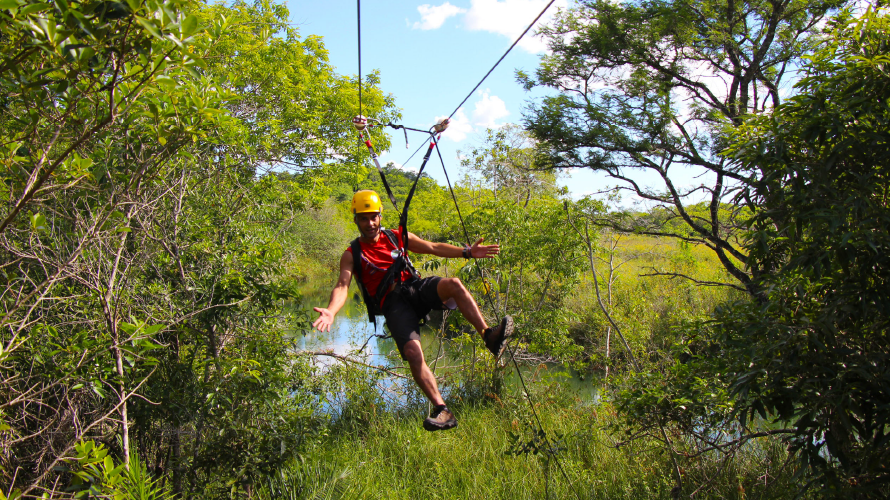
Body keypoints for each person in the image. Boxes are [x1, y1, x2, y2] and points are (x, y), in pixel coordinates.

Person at [313, 190, 513, 431]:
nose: (370, 223)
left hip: (414, 287)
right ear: (355, 220)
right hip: (393, 305)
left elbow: (432, 247)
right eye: (364, 218)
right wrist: (332, 311)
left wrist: (467, 252)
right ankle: (442, 409)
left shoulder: (396, 236)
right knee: (412, 352)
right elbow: (342, 286)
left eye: (374, 216)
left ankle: (488, 336)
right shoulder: (352, 254)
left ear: (380, 216)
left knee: (455, 284)